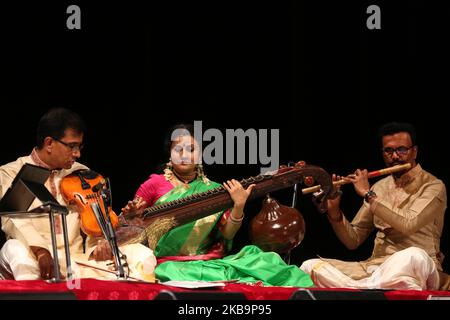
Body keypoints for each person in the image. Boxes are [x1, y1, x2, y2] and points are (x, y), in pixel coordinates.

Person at [121, 124, 313, 287]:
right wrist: (132, 219)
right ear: (169, 155)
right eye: (178, 149)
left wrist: (238, 206)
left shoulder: (215, 191)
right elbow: (127, 230)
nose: (185, 155)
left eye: (191, 149)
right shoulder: (154, 184)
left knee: (263, 260)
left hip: (209, 261)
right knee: (173, 271)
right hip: (169, 264)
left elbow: (227, 235)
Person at [0, 108, 156, 281]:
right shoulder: (11, 172)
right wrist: (40, 251)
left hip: (75, 259)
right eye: (72, 146)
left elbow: (95, 221)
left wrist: (100, 244)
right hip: (33, 256)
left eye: (79, 147)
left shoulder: (83, 174)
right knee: (16, 251)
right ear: (49, 143)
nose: (78, 154)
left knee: (142, 255)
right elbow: (12, 219)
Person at [300, 122, 448, 290]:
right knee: (309, 266)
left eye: (401, 150)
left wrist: (368, 195)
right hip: (377, 267)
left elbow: (409, 224)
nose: (395, 156)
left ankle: (361, 287)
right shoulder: (380, 187)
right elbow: (353, 240)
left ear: (414, 151)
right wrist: (334, 211)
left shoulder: (433, 186)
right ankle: (369, 286)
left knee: (414, 256)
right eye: (388, 151)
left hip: (417, 267)